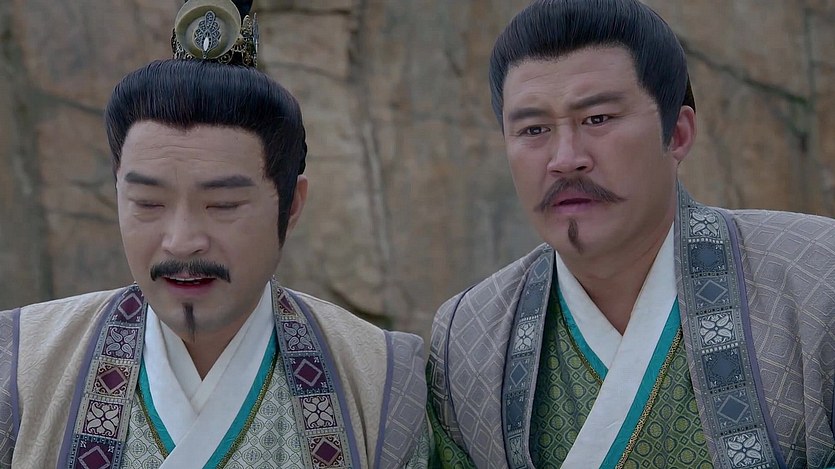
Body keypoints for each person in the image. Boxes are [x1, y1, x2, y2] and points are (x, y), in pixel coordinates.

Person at [0, 1, 429, 467]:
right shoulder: (19, 363)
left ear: (291, 205)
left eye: (223, 205)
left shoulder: (380, 378)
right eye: (148, 203)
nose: (182, 241)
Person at [427, 0, 835, 467]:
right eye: (534, 129)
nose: (565, 158)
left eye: (597, 119)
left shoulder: (817, 279)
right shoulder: (468, 337)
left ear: (677, 134)